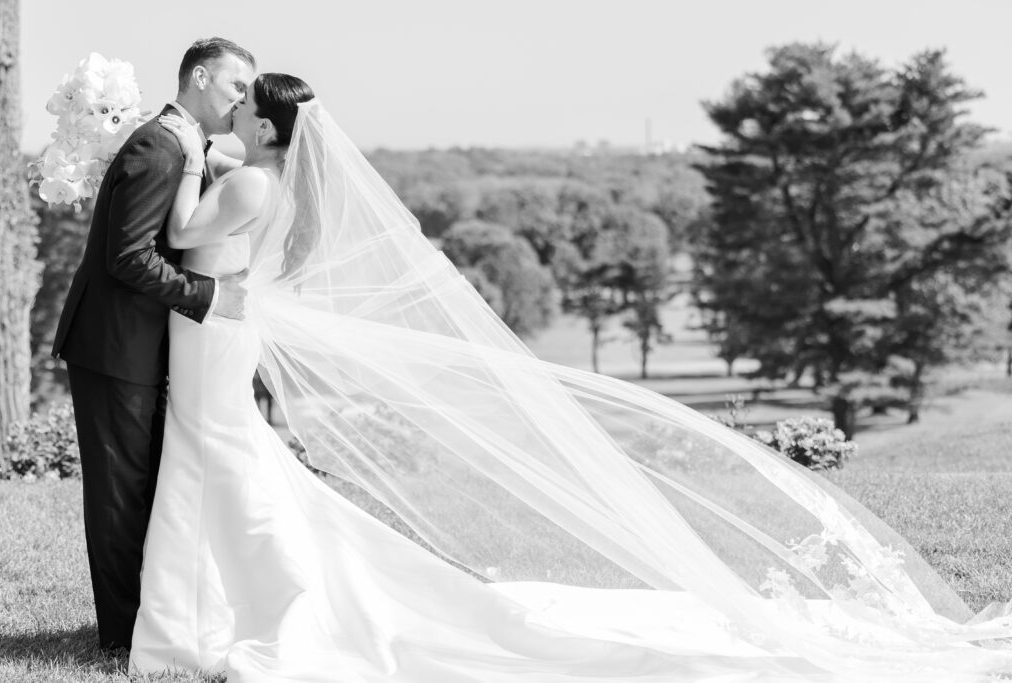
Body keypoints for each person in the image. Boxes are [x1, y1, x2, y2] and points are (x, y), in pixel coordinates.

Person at [130, 74, 1012, 682]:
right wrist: (207, 157)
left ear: (270, 126)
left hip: (214, 332)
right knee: (230, 462)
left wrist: (177, 152)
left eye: (247, 105)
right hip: (220, 328)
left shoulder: (244, 181)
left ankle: (232, 606)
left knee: (227, 461)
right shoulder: (269, 177)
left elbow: (177, 234)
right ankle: (217, 600)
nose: (235, 110)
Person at [51, 37, 256, 651]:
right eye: (235, 85)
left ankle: (148, 620)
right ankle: (119, 636)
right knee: (119, 492)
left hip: (142, 345)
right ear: (198, 76)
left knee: (146, 486)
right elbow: (127, 257)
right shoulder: (159, 144)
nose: (241, 98)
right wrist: (208, 295)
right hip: (114, 346)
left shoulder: (185, 144)